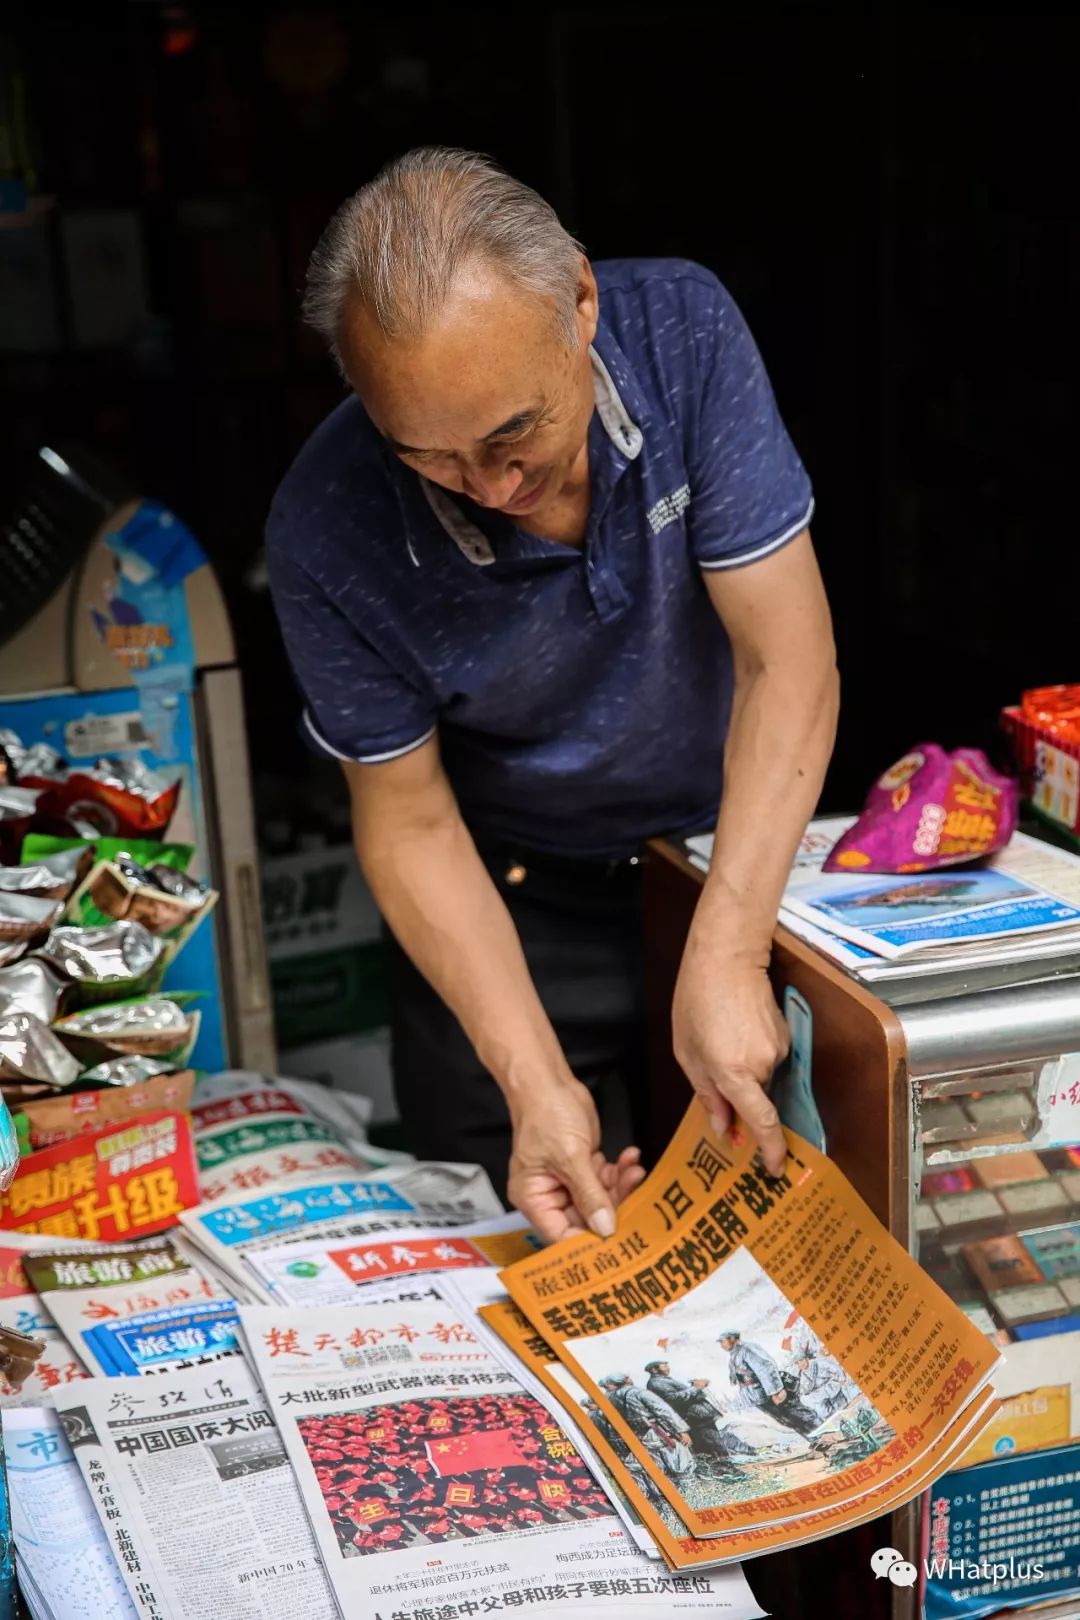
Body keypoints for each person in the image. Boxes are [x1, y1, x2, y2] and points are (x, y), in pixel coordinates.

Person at [267, 146, 839, 1238]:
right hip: (506, 914)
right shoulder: (324, 526)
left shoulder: (681, 334)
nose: (491, 489)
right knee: (527, 1247)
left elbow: (789, 662)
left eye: (512, 432)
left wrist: (728, 948)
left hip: (728, 862)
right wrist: (530, 1081)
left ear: (578, 300)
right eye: (429, 457)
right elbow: (410, 818)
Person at [643, 1360, 750, 1476]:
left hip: (696, 1417)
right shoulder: (656, 1383)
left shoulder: (661, 1380)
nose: (668, 1368)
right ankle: (726, 1470)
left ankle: (717, 1471)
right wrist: (696, 1388)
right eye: (664, 1366)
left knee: (708, 1445)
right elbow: (674, 1399)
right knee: (713, 1444)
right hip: (695, 1418)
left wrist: (694, 1387)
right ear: (654, 1370)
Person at [717, 1330, 820, 1437]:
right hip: (759, 1397)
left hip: (770, 1394)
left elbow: (766, 1367)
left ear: (732, 1339)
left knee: (799, 1415)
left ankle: (825, 1433)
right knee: (788, 1420)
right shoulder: (734, 1355)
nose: (721, 1345)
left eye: (723, 1341)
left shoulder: (747, 1349)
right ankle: (816, 1439)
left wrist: (776, 1391)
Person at [599, 1374, 693, 1480]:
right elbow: (663, 1410)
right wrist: (681, 1430)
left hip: (637, 1437)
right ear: (625, 1380)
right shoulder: (638, 1393)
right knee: (679, 1461)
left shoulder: (610, 1398)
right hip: (656, 1433)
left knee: (659, 1467)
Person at [580, 1395, 666, 1507]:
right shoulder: (599, 1414)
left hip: (616, 1446)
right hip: (621, 1444)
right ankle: (656, 1496)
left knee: (637, 1472)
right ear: (590, 1403)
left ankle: (652, 1496)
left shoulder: (591, 1416)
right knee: (641, 1470)